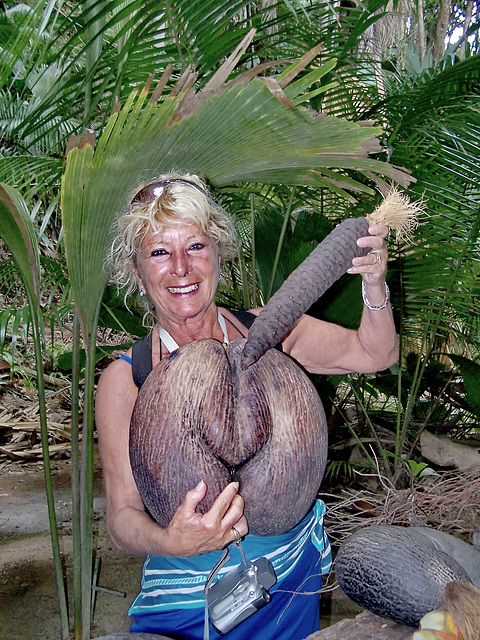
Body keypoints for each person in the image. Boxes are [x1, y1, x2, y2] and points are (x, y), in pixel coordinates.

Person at [95, 172, 398, 640]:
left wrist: (375, 285)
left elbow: (376, 353)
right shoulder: (127, 377)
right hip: (189, 599)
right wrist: (170, 540)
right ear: (137, 273)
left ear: (217, 251)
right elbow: (121, 520)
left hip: (288, 586)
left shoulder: (268, 328)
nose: (181, 267)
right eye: (159, 252)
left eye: (195, 246)